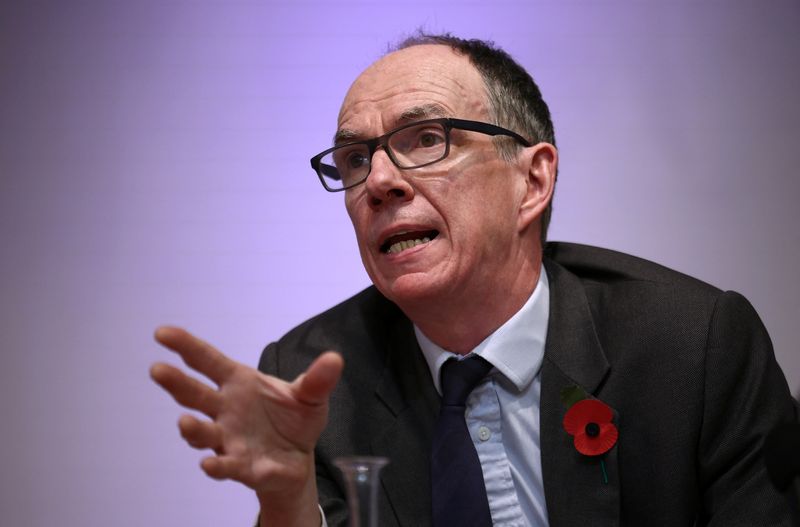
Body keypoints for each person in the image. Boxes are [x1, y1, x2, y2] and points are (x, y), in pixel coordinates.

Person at [150, 33, 798, 526]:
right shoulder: (311, 382)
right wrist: (287, 503)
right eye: (354, 159)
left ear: (532, 181)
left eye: (426, 138)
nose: (379, 181)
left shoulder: (695, 347)